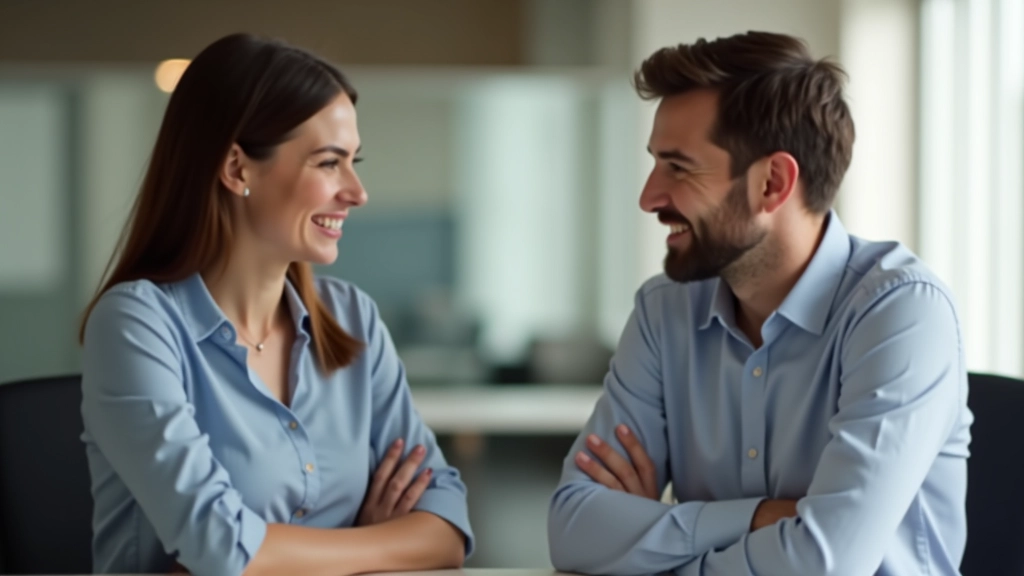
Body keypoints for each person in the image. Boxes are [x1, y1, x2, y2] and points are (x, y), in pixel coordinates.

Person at [548, 31, 970, 575]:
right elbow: (573, 529)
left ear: (772, 182)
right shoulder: (664, 312)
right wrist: (759, 518)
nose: (649, 196)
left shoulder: (902, 313)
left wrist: (653, 546)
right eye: (656, 163)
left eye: (679, 167)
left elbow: (824, 565)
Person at [79, 33, 471, 576]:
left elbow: (447, 525)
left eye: (354, 161)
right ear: (238, 169)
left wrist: (267, 553)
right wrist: (375, 539)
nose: (358, 192)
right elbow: (220, 547)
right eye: (329, 163)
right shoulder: (136, 325)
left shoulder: (352, 317)